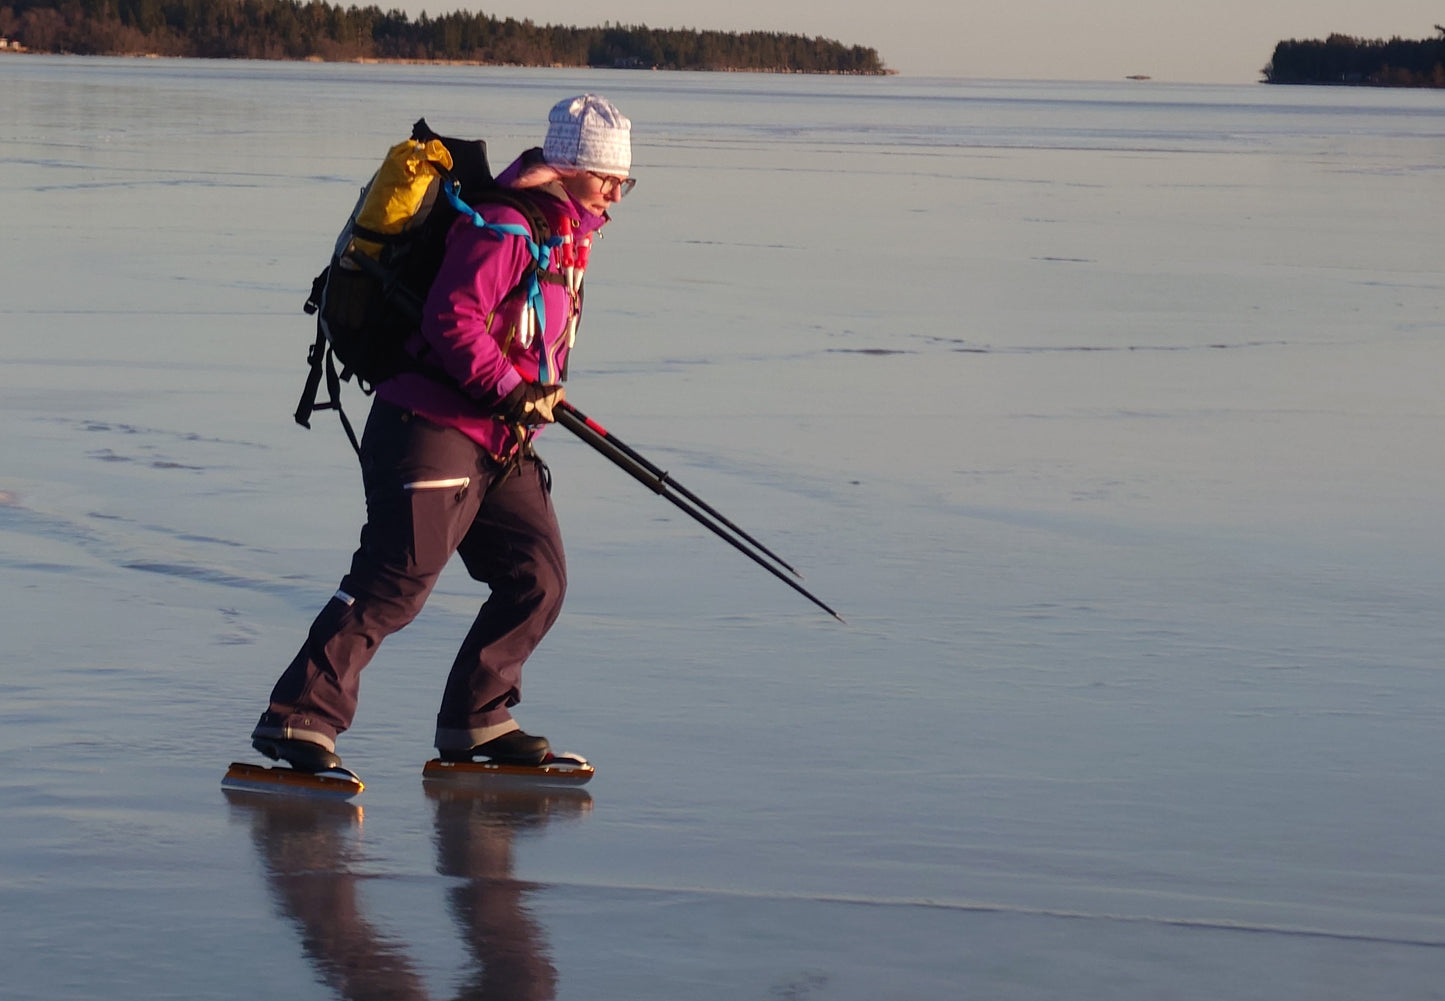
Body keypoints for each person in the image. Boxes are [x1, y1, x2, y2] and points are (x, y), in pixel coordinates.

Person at [250, 94, 633, 773]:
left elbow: (523, 334)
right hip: (431, 425)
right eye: (607, 177)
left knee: (536, 577)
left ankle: (477, 720)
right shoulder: (504, 224)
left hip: (499, 437)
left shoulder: (567, 232)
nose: (616, 192)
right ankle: (297, 719)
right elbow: (452, 320)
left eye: (623, 181)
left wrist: (533, 393)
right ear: (570, 167)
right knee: (395, 580)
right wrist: (514, 390)